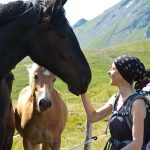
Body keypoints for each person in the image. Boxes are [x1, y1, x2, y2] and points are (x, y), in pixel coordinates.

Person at [81, 55, 149, 150]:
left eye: (113, 68)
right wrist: (83, 92)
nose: (108, 72)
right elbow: (93, 117)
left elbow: (137, 144)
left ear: (122, 74)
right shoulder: (116, 98)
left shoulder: (137, 103)